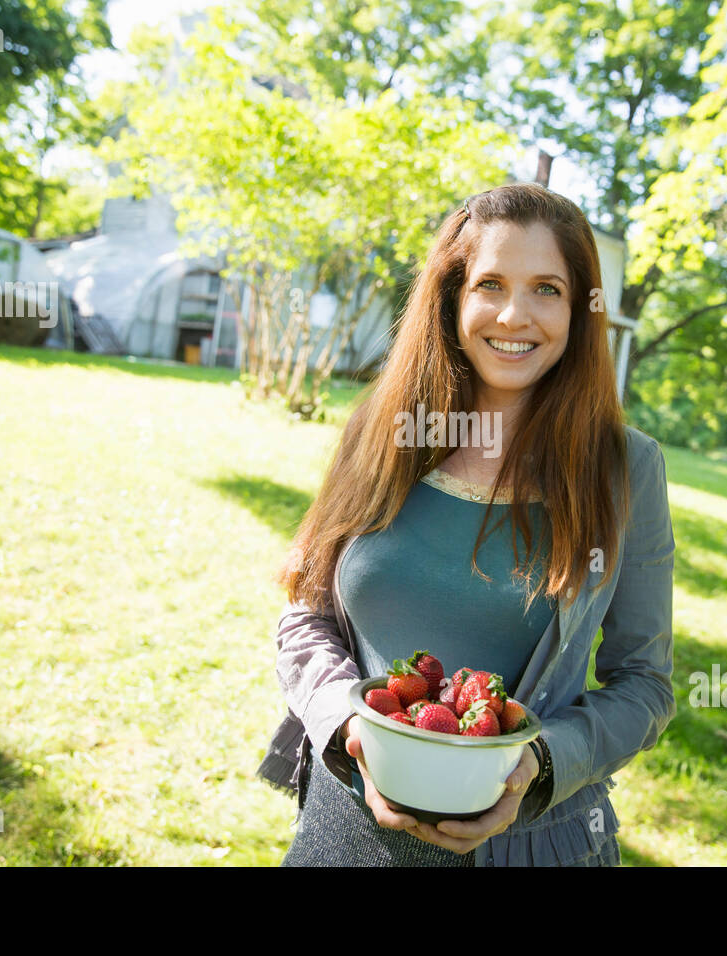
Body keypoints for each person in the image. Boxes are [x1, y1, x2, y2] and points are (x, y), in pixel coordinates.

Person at [256, 181, 676, 866]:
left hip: (532, 844)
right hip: (348, 830)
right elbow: (306, 614)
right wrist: (348, 731)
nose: (515, 315)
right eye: (490, 285)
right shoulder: (384, 431)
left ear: (579, 310)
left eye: (547, 289)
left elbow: (644, 684)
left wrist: (535, 765)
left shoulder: (625, 470)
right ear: (453, 297)